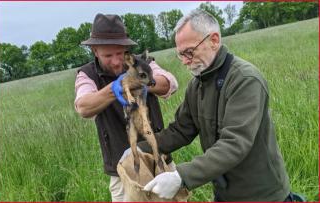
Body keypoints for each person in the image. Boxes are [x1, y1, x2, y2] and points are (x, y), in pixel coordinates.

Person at [132, 9, 291, 201]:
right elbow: (180, 131)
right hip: (224, 193)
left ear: (214, 40)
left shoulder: (245, 79)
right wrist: (141, 147)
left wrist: (181, 177)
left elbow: (235, 143)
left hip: (261, 194)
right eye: (180, 55)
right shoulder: (197, 84)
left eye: (189, 52)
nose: (184, 62)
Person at [74, 13, 178, 202]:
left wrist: (142, 80)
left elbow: (169, 83)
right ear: (95, 51)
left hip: (159, 160)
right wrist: (115, 89)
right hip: (123, 171)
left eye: (120, 53)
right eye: (108, 55)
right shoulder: (87, 75)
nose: (115, 61)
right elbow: (83, 107)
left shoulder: (142, 63)